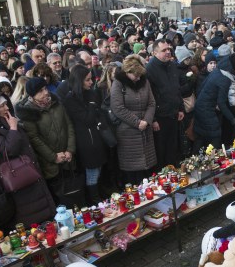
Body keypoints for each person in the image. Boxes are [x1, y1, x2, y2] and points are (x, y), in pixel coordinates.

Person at [0, 91, 56, 226]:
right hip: (20, 181)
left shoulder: (7, 120)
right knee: (33, 220)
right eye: (2, 106)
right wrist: (13, 128)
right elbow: (9, 150)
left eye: (6, 104)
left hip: (32, 174)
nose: (7, 108)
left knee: (47, 215)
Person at [17, 77, 81, 207]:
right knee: (61, 200)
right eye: (40, 91)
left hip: (68, 159)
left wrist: (70, 149)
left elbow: (68, 125)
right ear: (32, 95)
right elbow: (34, 139)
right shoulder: (28, 112)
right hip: (50, 164)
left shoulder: (56, 103)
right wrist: (53, 156)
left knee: (76, 195)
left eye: (45, 88)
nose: (45, 92)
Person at [56, 67, 108, 204]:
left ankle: (99, 196)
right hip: (85, 142)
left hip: (96, 139)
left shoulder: (90, 93)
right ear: (79, 81)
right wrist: (92, 105)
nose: (91, 82)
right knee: (92, 173)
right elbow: (87, 119)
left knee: (99, 170)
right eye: (88, 80)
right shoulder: (71, 99)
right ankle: (94, 200)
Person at [111, 55, 157, 185]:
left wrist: (147, 121)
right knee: (133, 171)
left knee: (147, 169)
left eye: (139, 75)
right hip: (128, 132)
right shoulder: (118, 83)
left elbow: (151, 103)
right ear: (127, 72)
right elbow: (117, 107)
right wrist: (137, 123)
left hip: (145, 129)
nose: (138, 78)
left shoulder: (144, 81)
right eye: (135, 75)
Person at [146, 39, 184, 167]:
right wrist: (154, 119)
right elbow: (149, 97)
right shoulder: (150, 69)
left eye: (169, 49)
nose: (168, 52)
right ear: (155, 53)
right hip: (160, 117)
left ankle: (173, 172)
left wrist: (180, 108)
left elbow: (176, 89)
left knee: (172, 147)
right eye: (164, 50)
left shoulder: (172, 65)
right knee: (161, 149)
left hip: (173, 113)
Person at [193, 54, 235, 152]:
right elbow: (221, 103)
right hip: (206, 110)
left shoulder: (218, 72)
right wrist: (233, 119)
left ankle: (194, 159)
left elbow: (203, 87)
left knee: (201, 136)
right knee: (215, 135)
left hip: (200, 107)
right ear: (233, 69)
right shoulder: (225, 79)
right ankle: (211, 160)